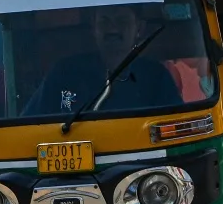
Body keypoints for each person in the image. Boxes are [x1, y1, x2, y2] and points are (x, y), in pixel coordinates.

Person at [23, 6, 182, 119]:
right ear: (93, 27)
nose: (112, 29)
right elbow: (29, 124)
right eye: (104, 21)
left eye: (122, 21)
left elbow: (176, 125)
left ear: (139, 28)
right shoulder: (64, 72)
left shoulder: (155, 76)